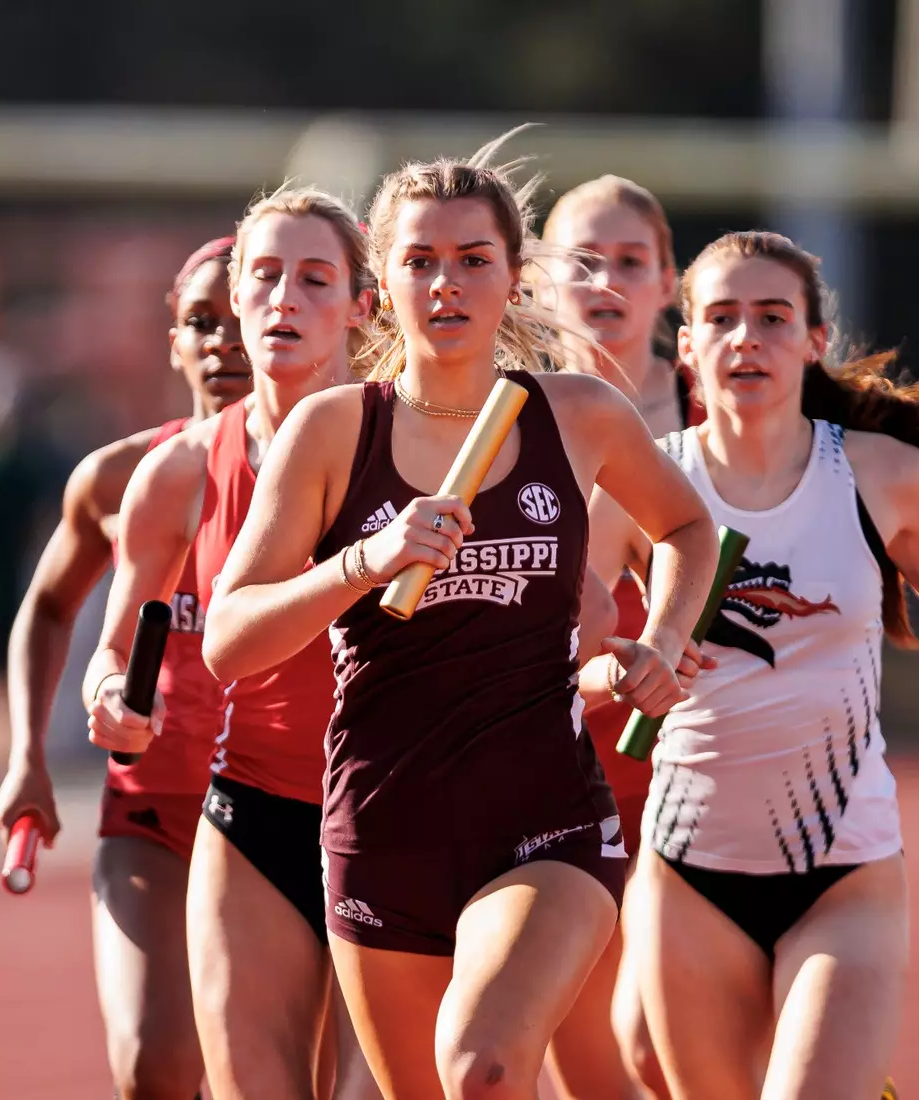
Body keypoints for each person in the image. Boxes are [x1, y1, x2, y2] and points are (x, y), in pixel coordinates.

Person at [198, 136, 720, 1099]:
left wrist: (665, 637)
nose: (447, 283)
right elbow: (230, 640)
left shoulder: (580, 415)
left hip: (547, 821)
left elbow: (690, 525)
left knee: (482, 1066)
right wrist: (368, 558)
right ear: (382, 284)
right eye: (420, 260)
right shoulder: (333, 429)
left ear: (514, 280)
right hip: (382, 826)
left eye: (474, 259)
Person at [627, 230, 919, 1100]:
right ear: (688, 344)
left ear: (815, 340)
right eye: (723, 319)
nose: (748, 339)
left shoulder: (882, 475)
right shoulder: (643, 482)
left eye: (774, 318)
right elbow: (575, 644)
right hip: (686, 873)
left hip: (843, 873)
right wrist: (622, 669)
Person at [84, 188, 380, 1100]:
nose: (285, 298)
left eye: (315, 278)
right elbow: (108, 645)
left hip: (392, 817)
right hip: (249, 815)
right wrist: (109, 701)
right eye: (266, 276)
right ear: (238, 296)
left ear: (360, 307)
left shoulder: (411, 444)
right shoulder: (175, 471)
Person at [0, 236, 252, 1100]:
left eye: (243, 320)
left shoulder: (344, 475)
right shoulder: (119, 477)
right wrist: (27, 755)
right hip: (155, 815)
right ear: (172, 340)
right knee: (152, 1066)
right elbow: (50, 606)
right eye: (202, 324)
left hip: (298, 817)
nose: (225, 343)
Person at [537, 174, 700, 1100]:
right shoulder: (503, 421)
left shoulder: (734, 416)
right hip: (569, 771)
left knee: (673, 1037)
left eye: (631, 261)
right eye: (582, 261)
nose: (607, 280)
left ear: (669, 282)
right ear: (537, 284)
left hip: (707, 770)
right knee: (593, 1056)